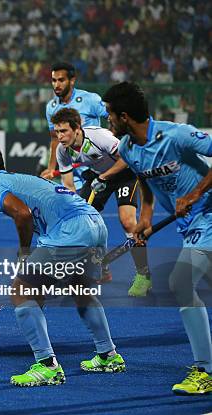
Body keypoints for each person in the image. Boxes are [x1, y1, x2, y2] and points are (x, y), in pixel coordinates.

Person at [0, 142, 125, 387]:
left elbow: (22, 214)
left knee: (22, 290)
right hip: (95, 223)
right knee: (81, 290)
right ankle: (108, 355)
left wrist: (24, 252)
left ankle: (47, 365)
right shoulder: (20, 178)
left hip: (71, 231)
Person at [103, 81, 212, 395]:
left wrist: (195, 192)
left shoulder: (175, 135)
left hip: (208, 216)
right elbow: (144, 177)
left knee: (181, 282)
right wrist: (146, 215)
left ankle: (205, 369)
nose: (108, 121)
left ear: (124, 116)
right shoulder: (126, 148)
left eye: (110, 115)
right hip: (189, 227)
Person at [51, 108, 152, 296]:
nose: (60, 137)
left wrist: (104, 177)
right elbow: (69, 185)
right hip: (97, 177)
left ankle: (143, 275)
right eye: (57, 132)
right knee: (81, 221)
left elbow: (127, 159)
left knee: (128, 222)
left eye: (64, 131)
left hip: (125, 174)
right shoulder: (62, 150)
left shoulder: (100, 137)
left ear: (77, 128)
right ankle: (100, 269)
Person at [40, 62, 108, 188]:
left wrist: (109, 142)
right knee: (74, 204)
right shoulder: (51, 107)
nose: (56, 85)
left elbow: (112, 118)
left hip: (94, 166)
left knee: (90, 205)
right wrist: (51, 168)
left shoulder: (90, 100)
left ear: (72, 81)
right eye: (54, 81)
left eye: (61, 80)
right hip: (72, 169)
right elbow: (55, 138)